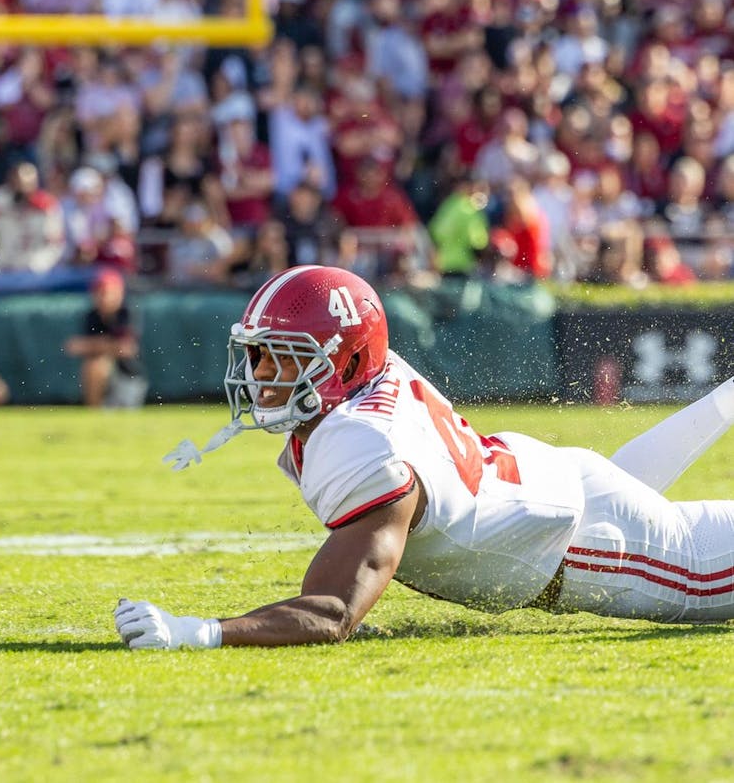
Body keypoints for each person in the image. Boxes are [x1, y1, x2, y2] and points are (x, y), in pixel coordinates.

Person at [117, 265, 734, 649]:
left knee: (685, 543)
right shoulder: (366, 385)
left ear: (347, 362)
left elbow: (332, 611)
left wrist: (201, 632)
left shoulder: (366, 445)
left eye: (283, 356)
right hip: (565, 485)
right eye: (256, 356)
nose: (260, 377)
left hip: (589, 542)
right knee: (642, 500)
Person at [64, 268, 146, 409]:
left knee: (99, 365)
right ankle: (93, 411)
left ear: (119, 293)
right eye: (99, 293)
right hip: (106, 378)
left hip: (129, 377)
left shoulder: (127, 313)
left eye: (107, 293)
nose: (103, 298)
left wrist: (92, 345)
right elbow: (72, 347)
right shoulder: (92, 316)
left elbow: (126, 349)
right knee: (94, 365)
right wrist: (105, 345)